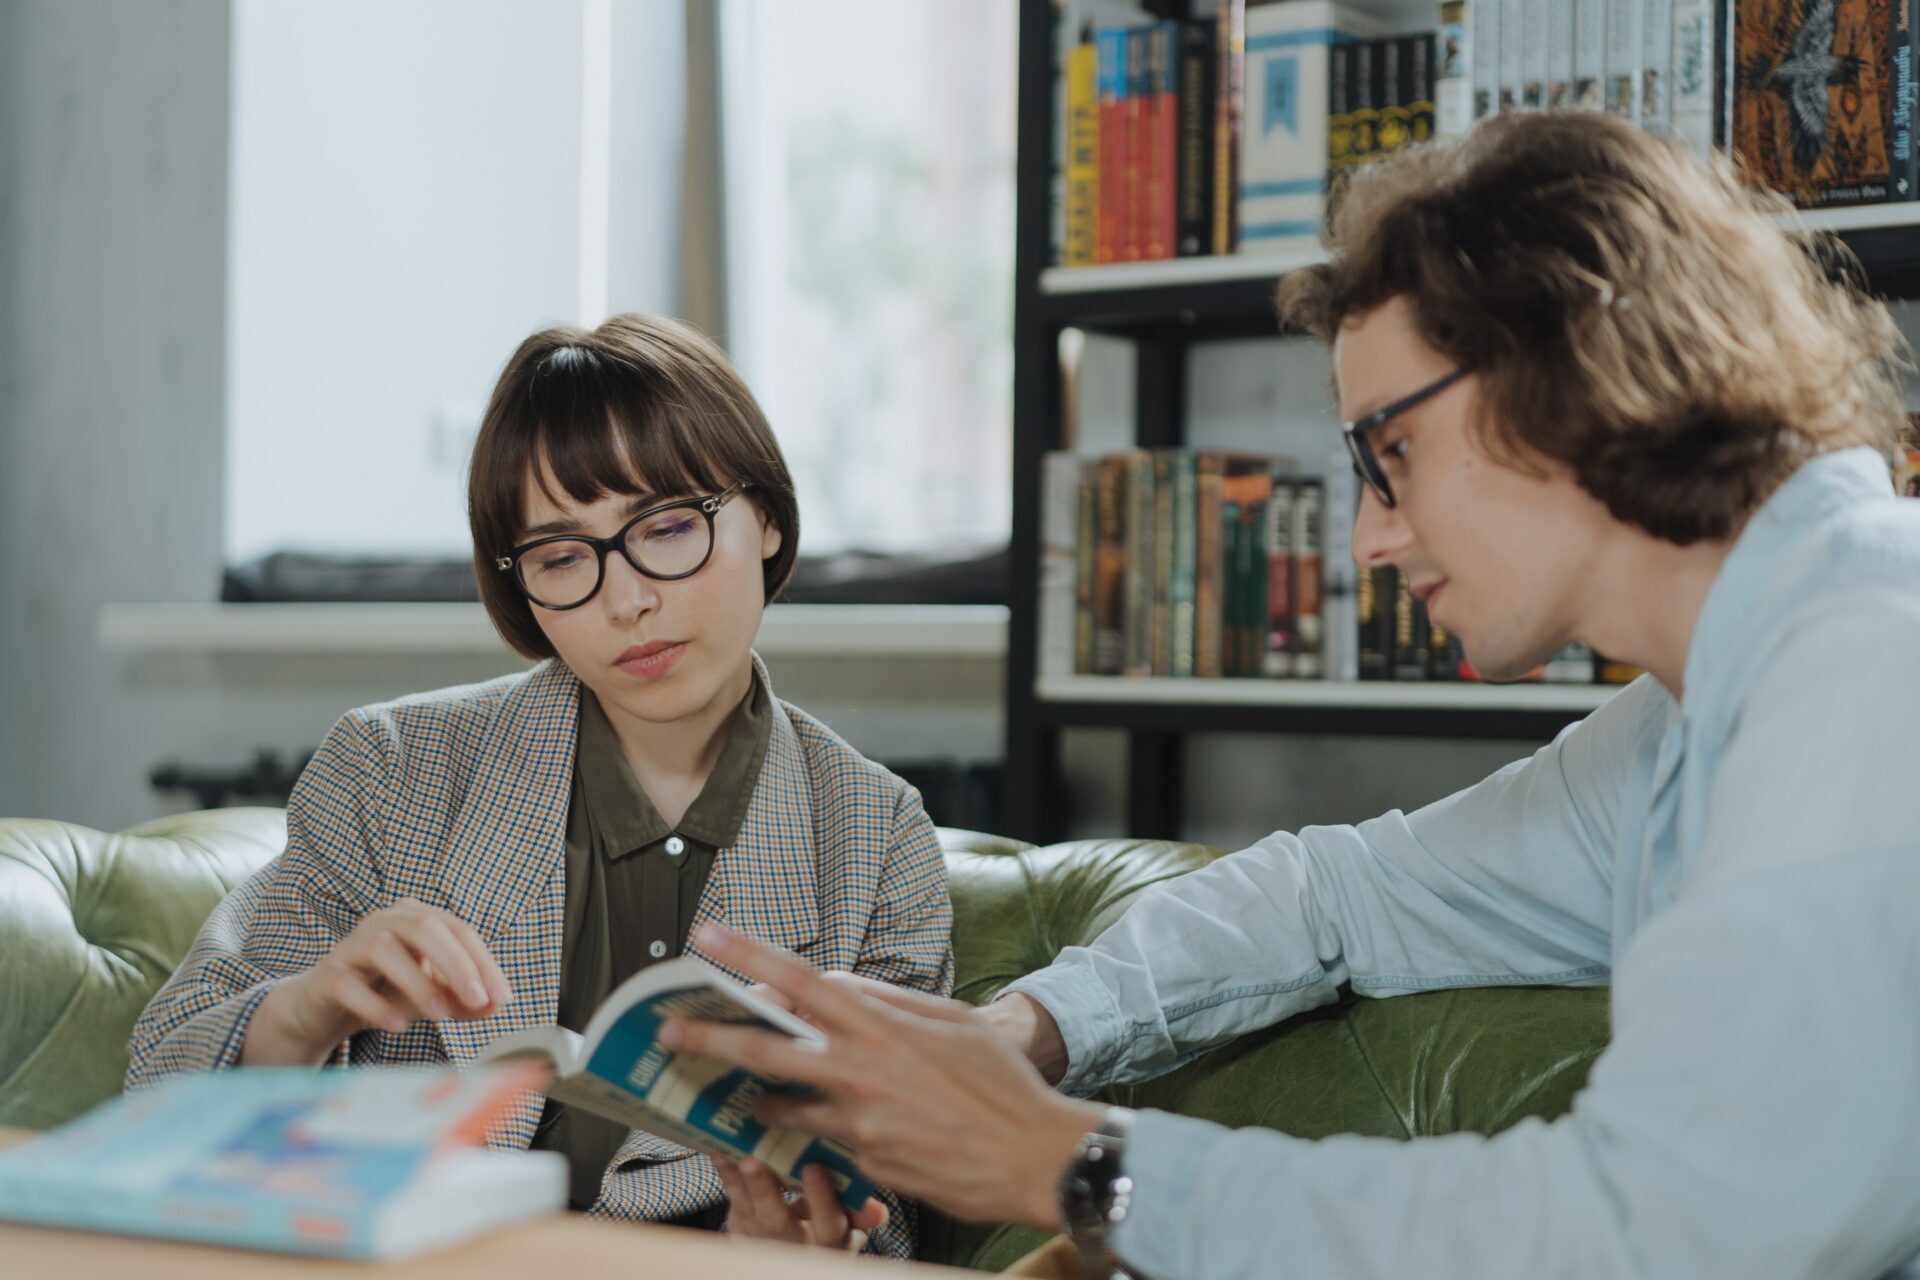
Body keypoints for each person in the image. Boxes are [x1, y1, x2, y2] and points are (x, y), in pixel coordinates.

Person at [660, 111, 1920, 1278]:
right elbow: (1338, 893)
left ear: (1580, 366)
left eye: (1392, 453)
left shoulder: (1866, 661)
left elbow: (1669, 1226)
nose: (1370, 535)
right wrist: (1020, 1031)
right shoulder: (1687, 718)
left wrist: (1082, 1165)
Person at [126, 314, 952, 1258]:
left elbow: (894, 1202)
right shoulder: (387, 769)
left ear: (765, 517)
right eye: (563, 557)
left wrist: (799, 1240)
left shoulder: (878, 837)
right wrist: (306, 1011)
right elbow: (159, 1081)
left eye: (670, 527)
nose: (627, 598)